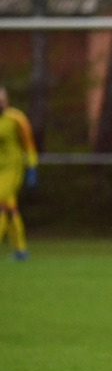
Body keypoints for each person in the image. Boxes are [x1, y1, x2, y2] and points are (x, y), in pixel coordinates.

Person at [0, 85, 38, 260]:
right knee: (10, 208)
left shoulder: (16, 118)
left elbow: (28, 144)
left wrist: (31, 167)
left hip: (12, 169)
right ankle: (21, 250)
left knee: (1, 202)